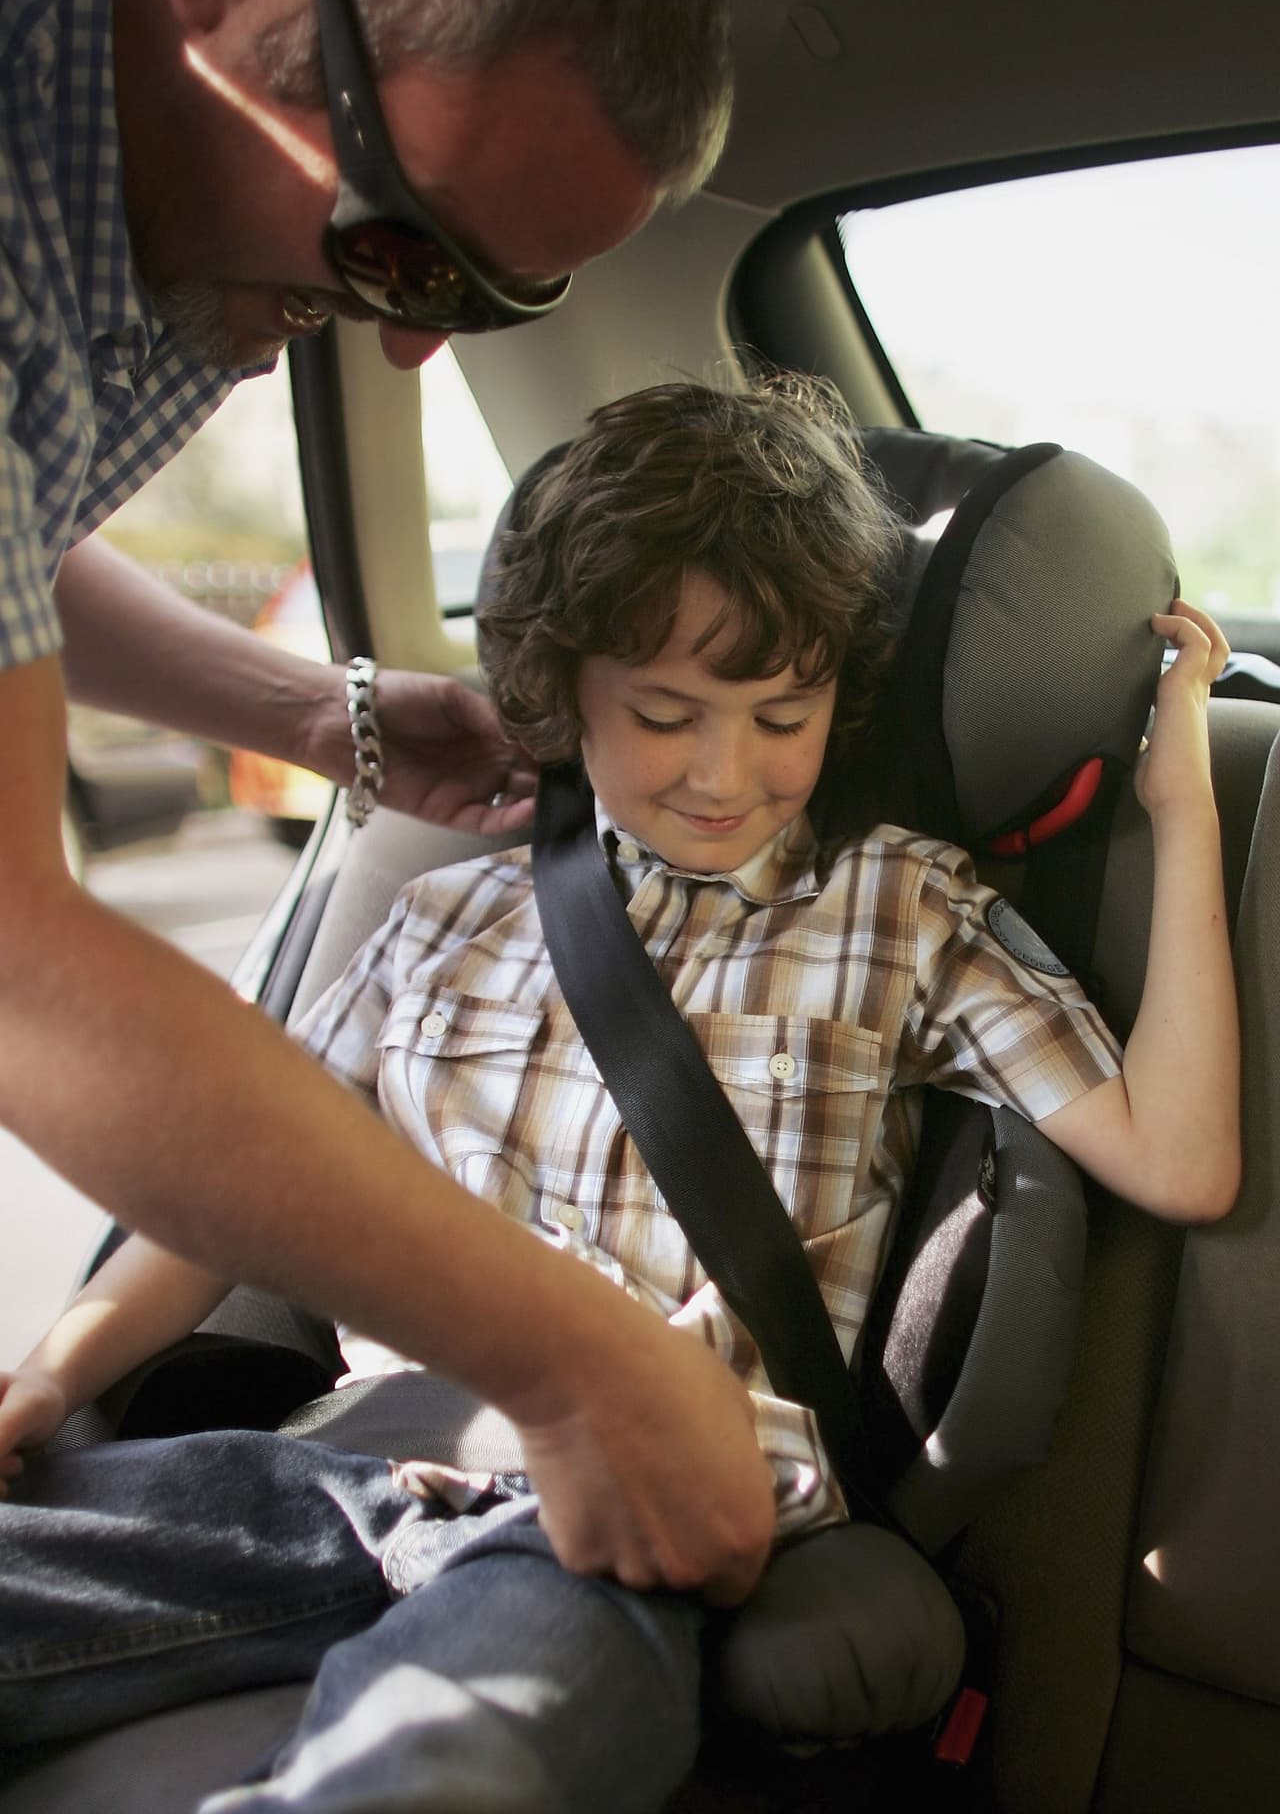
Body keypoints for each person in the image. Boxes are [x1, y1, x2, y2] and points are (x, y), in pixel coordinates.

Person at [0, 377, 1240, 1813]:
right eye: (664, 713)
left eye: (785, 715)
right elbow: (234, 1184)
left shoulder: (899, 910)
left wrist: (1181, 806)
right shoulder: (440, 920)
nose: (726, 773)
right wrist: (53, 1377)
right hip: (335, 1471)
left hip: (620, 1525)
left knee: (436, 1770)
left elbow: (1181, 1159)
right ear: (559, 686)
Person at [0, 0, 779, 1594]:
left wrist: (313, 711)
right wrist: (579, 1368)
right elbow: (15, 959)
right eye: (407, 249)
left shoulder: (172, 208)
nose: (410, 338)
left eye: (499, 295)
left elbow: (11, 554)